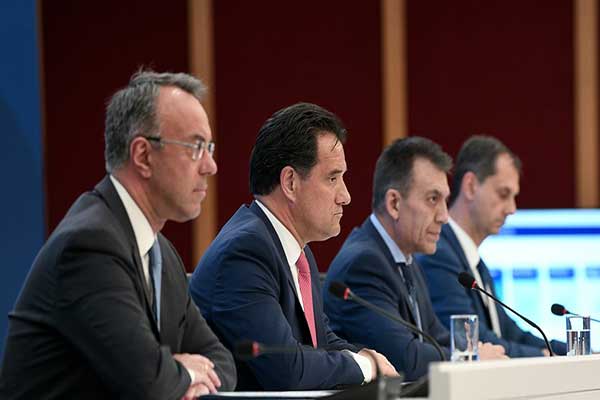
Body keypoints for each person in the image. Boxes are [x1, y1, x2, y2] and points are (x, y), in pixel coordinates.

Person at [0, 70, 236, 399]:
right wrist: (183, 372)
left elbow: (222, 363)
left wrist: (177, 375)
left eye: (209, 147)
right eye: (196, 147)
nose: (211, 166)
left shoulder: (162, 254)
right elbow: (147, 383)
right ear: (143, 156)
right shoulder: (89, 246)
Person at [190, 102, 398, 391]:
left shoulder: (294, 250)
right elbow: (286, 369)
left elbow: (320, 342)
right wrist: (365, 367)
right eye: (333, 178)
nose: (346, 196)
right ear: (290, 182)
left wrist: (367, 357)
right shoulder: (245, 252)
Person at [323, 137, 507, 381]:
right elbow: (403, 358)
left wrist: (477, 351)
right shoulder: (364, 264)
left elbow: (437, 337)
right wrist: (471, 358)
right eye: (433, 199)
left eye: (445, 200)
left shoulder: (405, 257)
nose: (443, 216)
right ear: (394, 203)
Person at [416, 135, 567, 356]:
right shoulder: (438, 254)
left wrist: (568, 351)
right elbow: (474, 340)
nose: (512, 209)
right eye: (504, 194)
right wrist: (544, 355)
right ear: (470, 186)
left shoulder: (475, 263)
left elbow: (510, 333)